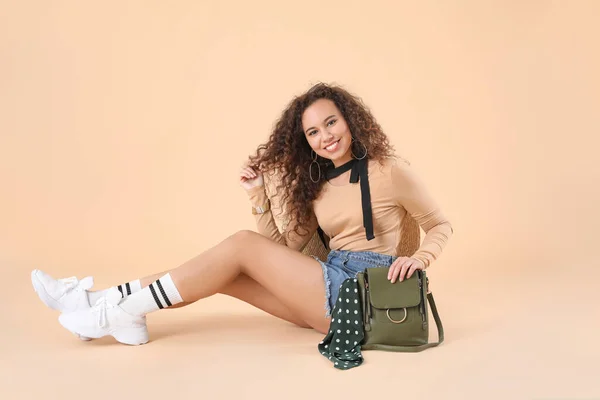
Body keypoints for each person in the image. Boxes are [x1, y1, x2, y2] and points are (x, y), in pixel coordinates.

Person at [31, 82, 453, 346]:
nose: (325, 136)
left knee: (239, 245)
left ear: (350, 121)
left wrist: (418, 258)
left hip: (361, 295)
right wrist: (258, 198)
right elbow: (277, 253)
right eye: (313, 132)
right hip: (325, 291)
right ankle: (103, 305)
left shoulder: (389, 170)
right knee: (227, 273)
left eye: (331, 123)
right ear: (305, 141)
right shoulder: (318, 185)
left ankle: (107, 308)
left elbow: (440, 224)